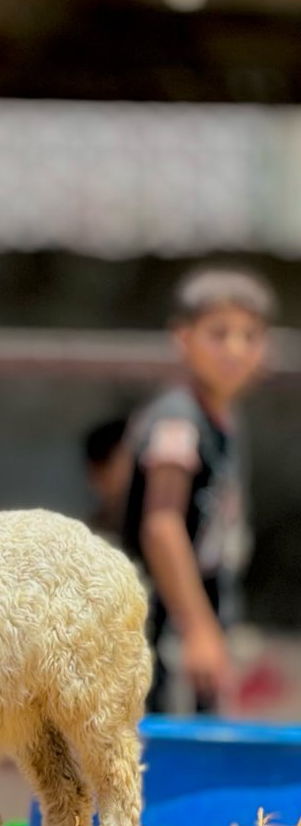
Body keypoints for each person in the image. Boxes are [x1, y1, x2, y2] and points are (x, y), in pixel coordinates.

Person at [121, 264, 277, 715]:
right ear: (183, 337)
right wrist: (199, 630)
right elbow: (162, 524)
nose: (235, 349)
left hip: (196, 611)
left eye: (250, 336)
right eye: (219, 333)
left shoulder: (221, 416)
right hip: (161, 623)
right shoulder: (179, 419)